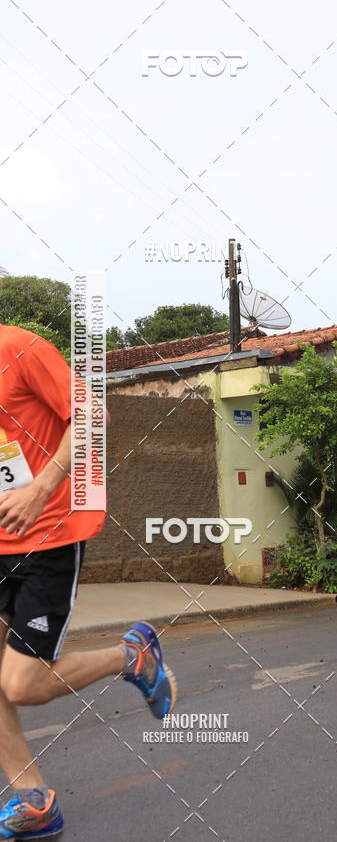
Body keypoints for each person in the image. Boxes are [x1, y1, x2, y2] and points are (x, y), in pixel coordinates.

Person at [0, 325, 177, 840]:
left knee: (20, 684)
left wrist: (43, 489)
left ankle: (132, 655)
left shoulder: (18, 347)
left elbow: (92, 418)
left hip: (47, 534)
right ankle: (33, 799)